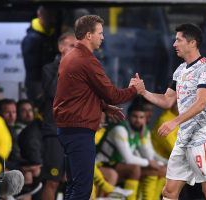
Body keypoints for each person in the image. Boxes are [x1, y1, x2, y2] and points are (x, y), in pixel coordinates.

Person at [53, 15, 144, 199]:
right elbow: (113, 95)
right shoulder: (87, 61)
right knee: (82, 189)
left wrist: (102, 106)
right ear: (88, 35)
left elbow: (77, 94)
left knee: (73, 186)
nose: (103, 37)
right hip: (79, 131)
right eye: (100, 33)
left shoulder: (70, 57)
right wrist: (135, 89)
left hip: (69, 130)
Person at [138, 23, 206, 200]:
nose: (174, 44)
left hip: (202, 139)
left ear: (192, 43)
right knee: (168, 192)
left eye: (178, 40)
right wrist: (143, 92)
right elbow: (167, 100)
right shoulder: (180, 70)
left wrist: (174, 122)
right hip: (183, 139)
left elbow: (201, 103)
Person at [41, 32, 75, 200]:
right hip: (55, 132)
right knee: (52, 180)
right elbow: (53, 92)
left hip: (75, 132)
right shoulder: (49, 69)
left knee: (72, 180)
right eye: (73, 46)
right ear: (61, 47)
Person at [21, 5, 57, 102]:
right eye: (48, 15)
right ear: (39, 15)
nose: (52, 19)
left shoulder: (51, 36)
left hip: (47, 84)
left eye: (53, 15)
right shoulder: (32, 39)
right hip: (39, 86)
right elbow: (33, 68)